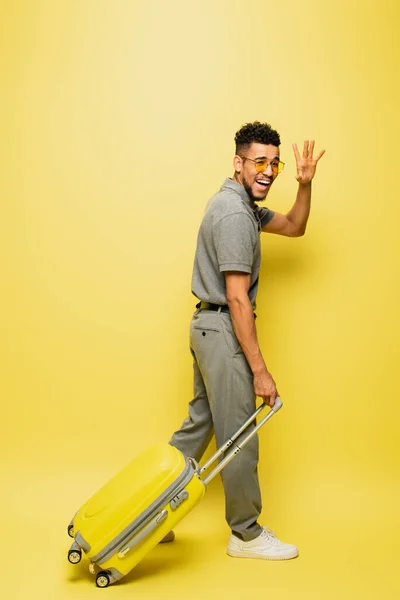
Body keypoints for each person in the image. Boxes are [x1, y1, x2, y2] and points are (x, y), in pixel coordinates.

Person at [164, 121, 325, 560]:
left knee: (199, 428)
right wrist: (260, 371)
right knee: (239, 434)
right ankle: (246, 534)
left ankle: (154, 511)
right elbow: (237, 297)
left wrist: (304, 184)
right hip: (222, 326)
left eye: (276, 163)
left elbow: (294, 226)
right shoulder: (236, 214)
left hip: (207, 327)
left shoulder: (242, 206)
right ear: (238, 163)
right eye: (259, 161)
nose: (269, 170)